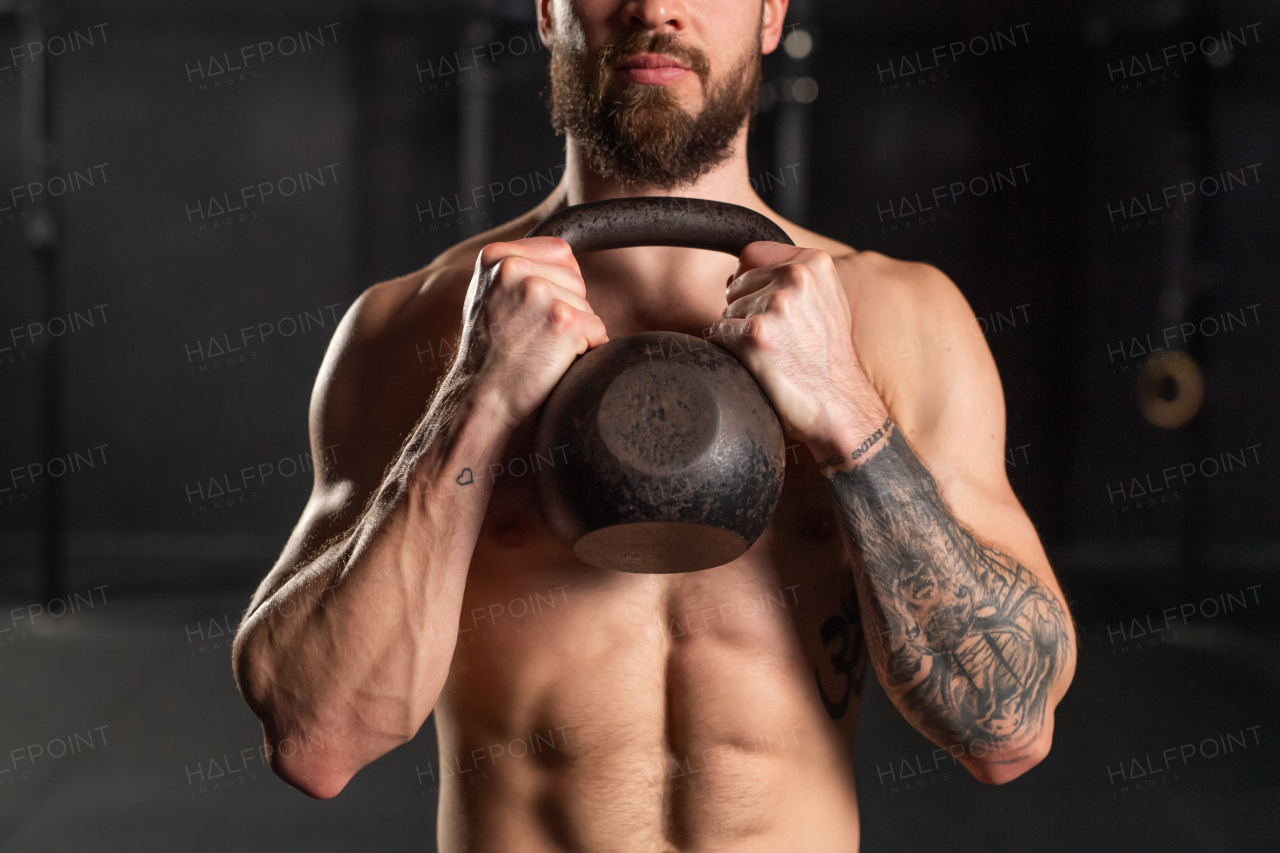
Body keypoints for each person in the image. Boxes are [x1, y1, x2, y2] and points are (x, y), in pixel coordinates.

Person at [232, 0, 1078, 849]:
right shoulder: (410, 329)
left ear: (771, 13)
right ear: (546, 11)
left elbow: (1006, 728)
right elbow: (318, 738)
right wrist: (476, 402)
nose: (656, 7)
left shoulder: (899, 320)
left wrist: (844, 407)